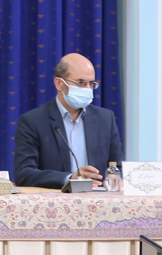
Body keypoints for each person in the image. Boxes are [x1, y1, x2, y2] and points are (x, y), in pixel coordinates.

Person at [13, 53, 123, 189]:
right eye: (81, 83)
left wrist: (115, 179)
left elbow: (117, 168)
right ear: (59, 83)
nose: (87, 89)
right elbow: (23, 174)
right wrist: (70, 178)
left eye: (91, 84)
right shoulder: (33, 121)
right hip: (55, 199)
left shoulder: (105, 119)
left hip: (97, 198)